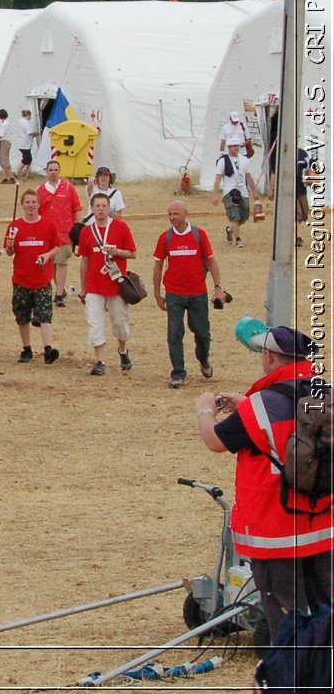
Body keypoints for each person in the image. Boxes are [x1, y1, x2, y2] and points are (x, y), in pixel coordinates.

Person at [194, 326, 333, 640]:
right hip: (323, 525)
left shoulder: (259, 406)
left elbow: (215, 440)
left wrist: (205, 410)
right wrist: (245, 403)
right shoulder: (326, 393)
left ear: (269, 357)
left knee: (287, 620)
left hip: (276, 532)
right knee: (325, 611)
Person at [151, 200, 227, 389]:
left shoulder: (199, 235)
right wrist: (157, 293)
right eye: (169, 214)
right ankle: (178, 372)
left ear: (185, 213)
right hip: (174, 293)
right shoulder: (165, 238)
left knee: (201, 332)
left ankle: (203, 359)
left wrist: (218, 287)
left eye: (175, 214)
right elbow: (158, 265)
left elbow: (211, 262)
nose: (172, 218)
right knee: (174, 333)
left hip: (197, 292)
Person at [76, 191, 137, 376]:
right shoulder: (87, 232)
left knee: (119, 322)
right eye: (98, 206)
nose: (101, 209)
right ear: (92, 208)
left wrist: (116, 252)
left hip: (116, 284)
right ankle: (100, 360)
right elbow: (84, 261)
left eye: (104, 206)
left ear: (109, 208)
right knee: (95, 323)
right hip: (95, 285)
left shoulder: (121, 227)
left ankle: (122, 349)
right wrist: (84, 288)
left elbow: (132, 253)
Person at [3, 190, 61, 365]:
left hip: (42, 280)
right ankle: (27, 348)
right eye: (27, 202)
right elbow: (9, 252)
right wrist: (10, 246)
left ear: (38, 204)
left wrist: (47, 255)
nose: (30, 205)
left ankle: (48, 348)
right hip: (21, 279)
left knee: (45, 314)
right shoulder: (14, 226)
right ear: (22, 204)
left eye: (33, 202)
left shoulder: (48, 225)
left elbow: (57, 246)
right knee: (22, 315)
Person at [36, 160, 81, 304]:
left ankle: (59, 294)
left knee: (62, 263)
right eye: (51, 170)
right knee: (52, 265)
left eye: (56, 170)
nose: (53, 172)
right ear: (47, 171)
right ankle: (60, 289)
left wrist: (78, 228)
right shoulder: (41, 190)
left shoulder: (69, 188)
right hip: (47, 233)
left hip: (64, 233)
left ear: (59, 171)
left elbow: (76, 208)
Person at [212, 141, 258, 247]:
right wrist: (215, 194)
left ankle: (231, 229)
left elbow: (248, 176)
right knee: (234, 215)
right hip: (229, 190)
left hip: (242, 190)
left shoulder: (244, 160)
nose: (235, 148)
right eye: (233, 146)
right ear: (229, 147)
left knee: (244, 215)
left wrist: (254, 190)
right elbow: (218, 178)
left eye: (237, 146)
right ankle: (238, 239)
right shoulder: (223, 161)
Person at [0, 109, 15, 183]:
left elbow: (1, 134)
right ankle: (6, 177)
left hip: (4, 142)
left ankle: (11, 177)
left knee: (5, 160)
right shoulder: (5, 123)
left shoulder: (4, 124)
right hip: (3, 142)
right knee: (2, 160)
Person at [15, 109, 37, 179]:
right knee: (26, 159)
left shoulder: (20, 121)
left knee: (28, 158)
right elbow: (29, 132)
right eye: (30, 116)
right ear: (28, 115)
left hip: (21, 143)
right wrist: (36, 133)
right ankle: (17, 172)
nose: (30, 117)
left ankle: (28, 174)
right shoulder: (26, 122)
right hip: (25, 144)